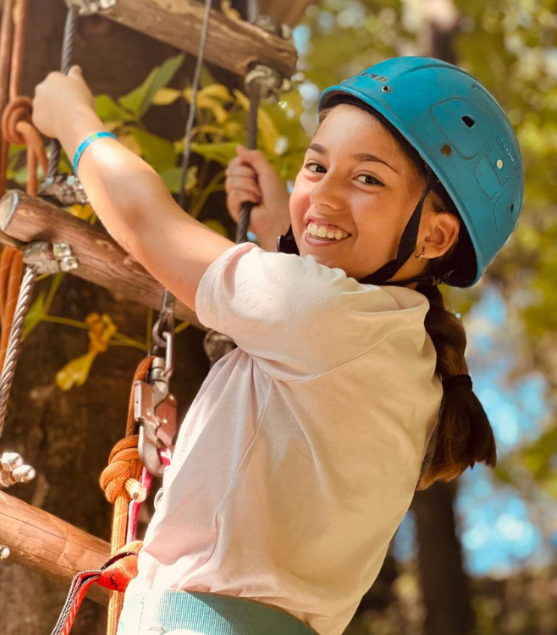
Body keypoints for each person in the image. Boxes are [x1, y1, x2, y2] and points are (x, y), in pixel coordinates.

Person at [32, 56, 524, 635]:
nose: (327, 196)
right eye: (317, 167)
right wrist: (278, 232)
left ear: (436, 234)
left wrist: (73, 119)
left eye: (368, 178)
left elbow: (145, 220)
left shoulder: (328, 318)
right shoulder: (405, 354)